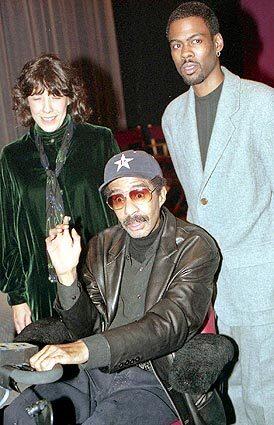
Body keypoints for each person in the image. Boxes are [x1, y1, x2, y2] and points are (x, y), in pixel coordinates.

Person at [4, 150, 220, 424]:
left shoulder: (195, 247)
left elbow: (169, 325)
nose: (129, 210)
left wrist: (82, 350)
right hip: (93, 371)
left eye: (139, 194)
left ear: (161, 194)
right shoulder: (101, 246)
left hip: (154, 381)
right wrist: (67, 276)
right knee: (20, 414)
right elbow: (86, 328)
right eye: (118, 199)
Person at [162, 2, 274, 425]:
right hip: (207, 283)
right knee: (224, 395)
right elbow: (197, 199)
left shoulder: (262, 104)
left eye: (195, 41)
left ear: (218, 43)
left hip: (260, 278)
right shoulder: (173, 116)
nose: (186, 53)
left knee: (264, 397)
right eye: (176, 46)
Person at [0, 53, 119, 335]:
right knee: (52, 371)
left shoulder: (99, 140)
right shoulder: (12, 157)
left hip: (99, 279)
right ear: (26, 102)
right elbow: (8, 233)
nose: (47, 108)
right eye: (37, 97)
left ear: (69, 97)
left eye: (55, 95)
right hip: (40, 286)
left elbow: (121, 211)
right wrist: (18, 298)